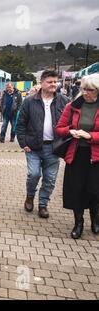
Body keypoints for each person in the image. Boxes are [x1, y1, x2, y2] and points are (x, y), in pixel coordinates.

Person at [17, 70, 69, 218]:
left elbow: (70, 123)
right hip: (33, 146)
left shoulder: (64, 101)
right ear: (42, 83)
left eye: (55, 82)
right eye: (50, 82)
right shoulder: (29, 101)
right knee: (33, 174)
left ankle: (43, 205)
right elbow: (20, 124)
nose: (53, 84)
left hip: (54, 147)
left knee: (50, 179)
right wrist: (23, 143)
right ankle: (30, 196)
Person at [55, 73, 99, 239]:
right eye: (83, 89)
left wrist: (91, 136)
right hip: (77, 155)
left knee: (95, 190)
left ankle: (95, 217)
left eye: (90, 90)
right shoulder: (73, 106)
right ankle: (78, 222)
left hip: (96, 156)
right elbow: (59, 128)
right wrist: (70, 131)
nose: (86, 92)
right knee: (77, 190)